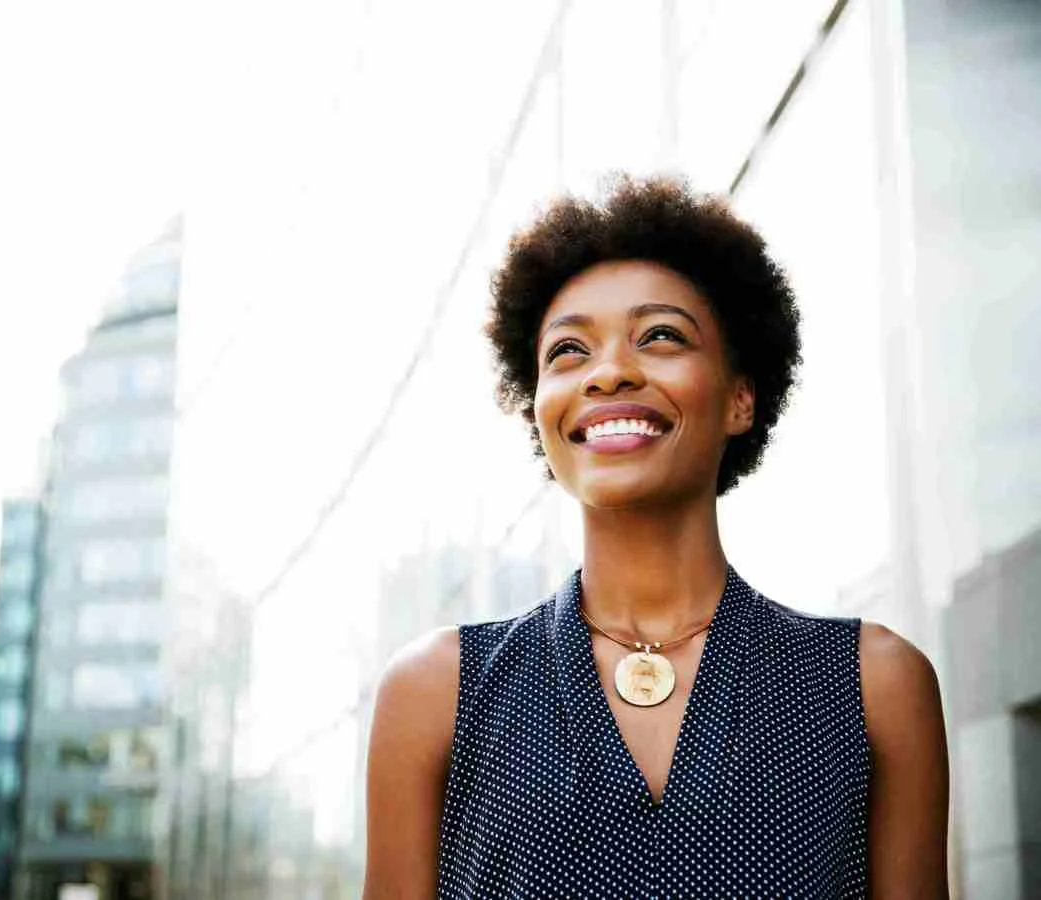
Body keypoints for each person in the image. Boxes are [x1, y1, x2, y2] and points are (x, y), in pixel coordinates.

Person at [363, 175, 949, 898]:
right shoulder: (434, 693)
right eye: (567, 352)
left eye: (660, 336)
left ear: (740, 397)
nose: (607, 372)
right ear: (539, 408)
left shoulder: (874, 685)